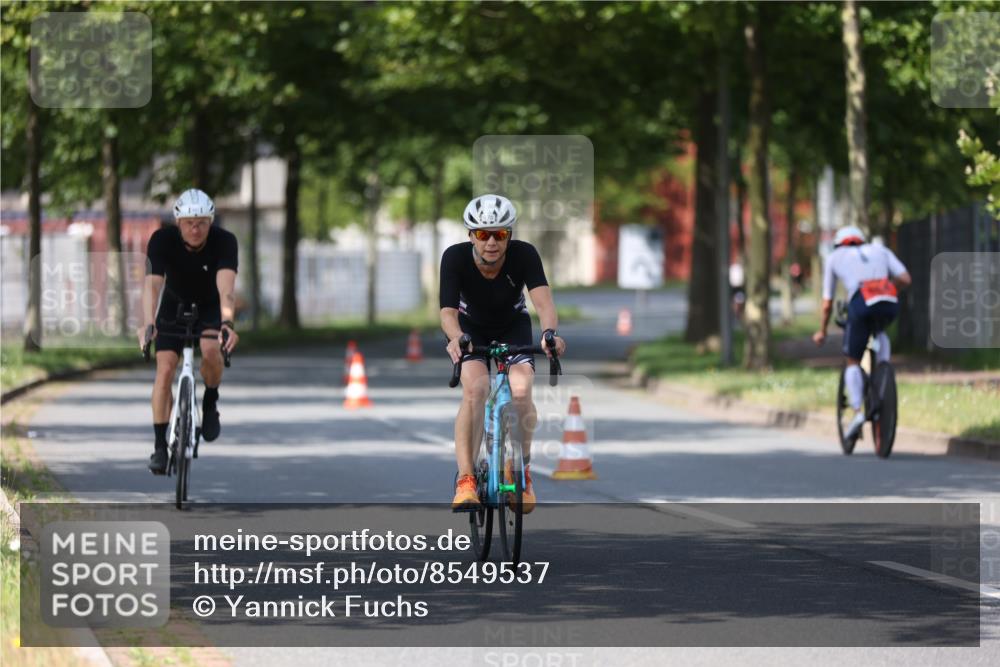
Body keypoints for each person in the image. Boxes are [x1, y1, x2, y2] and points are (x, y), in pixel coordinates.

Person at [440, 194, 566, 512]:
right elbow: (447, 313)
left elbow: (544, 303)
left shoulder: (524, 255)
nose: (492, 242)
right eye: (483, 234)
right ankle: (466, 480)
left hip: (513, 327)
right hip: (471, 330)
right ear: (471, 235)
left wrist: (550, 334)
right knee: (476, 389)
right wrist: (456, 338)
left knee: (522, 389)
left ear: (509, 235)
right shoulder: (454, 258)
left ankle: (521, 473)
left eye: (500, 234)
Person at [137, 189, 239, 474]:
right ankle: (159, 447)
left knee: (210, 353)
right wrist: (148, 323)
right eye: (189, 223)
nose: (196, 229)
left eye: (202, 223)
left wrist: (227, 323)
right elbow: (153, 285)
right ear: (178, 223)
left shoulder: (224, 241)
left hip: (209, 307)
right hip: (173, 306)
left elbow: (226, 289)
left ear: (211, 222)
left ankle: (210, 401)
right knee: (165, 369)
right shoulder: (162, 240)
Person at [812, 225, 911, 439]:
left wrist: (822, 331)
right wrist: (886, 288)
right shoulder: (881, 250)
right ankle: (883, 372)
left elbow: (827, 302)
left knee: (853, 360)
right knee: (880, 331)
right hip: (888, 300)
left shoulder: (834, 257)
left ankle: (857, 412)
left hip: (860, 302)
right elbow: (905, 279)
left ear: (839, 243)